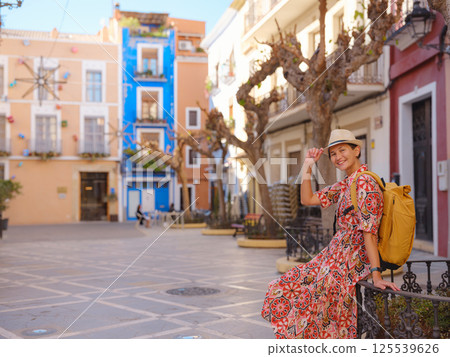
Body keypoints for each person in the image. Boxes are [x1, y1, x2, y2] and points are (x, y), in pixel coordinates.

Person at [261, 129, 399, 339]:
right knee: (287, 284)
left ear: (357, 151)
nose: (337, 157)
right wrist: (308, 165)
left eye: (342, 150)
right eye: (333, 154)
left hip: (350, 257)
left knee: (324, 302)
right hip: (335, 254)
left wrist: (376, 275)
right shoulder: (347, 183)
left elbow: (369, 232)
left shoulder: (365, 183)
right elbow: (308, 199)